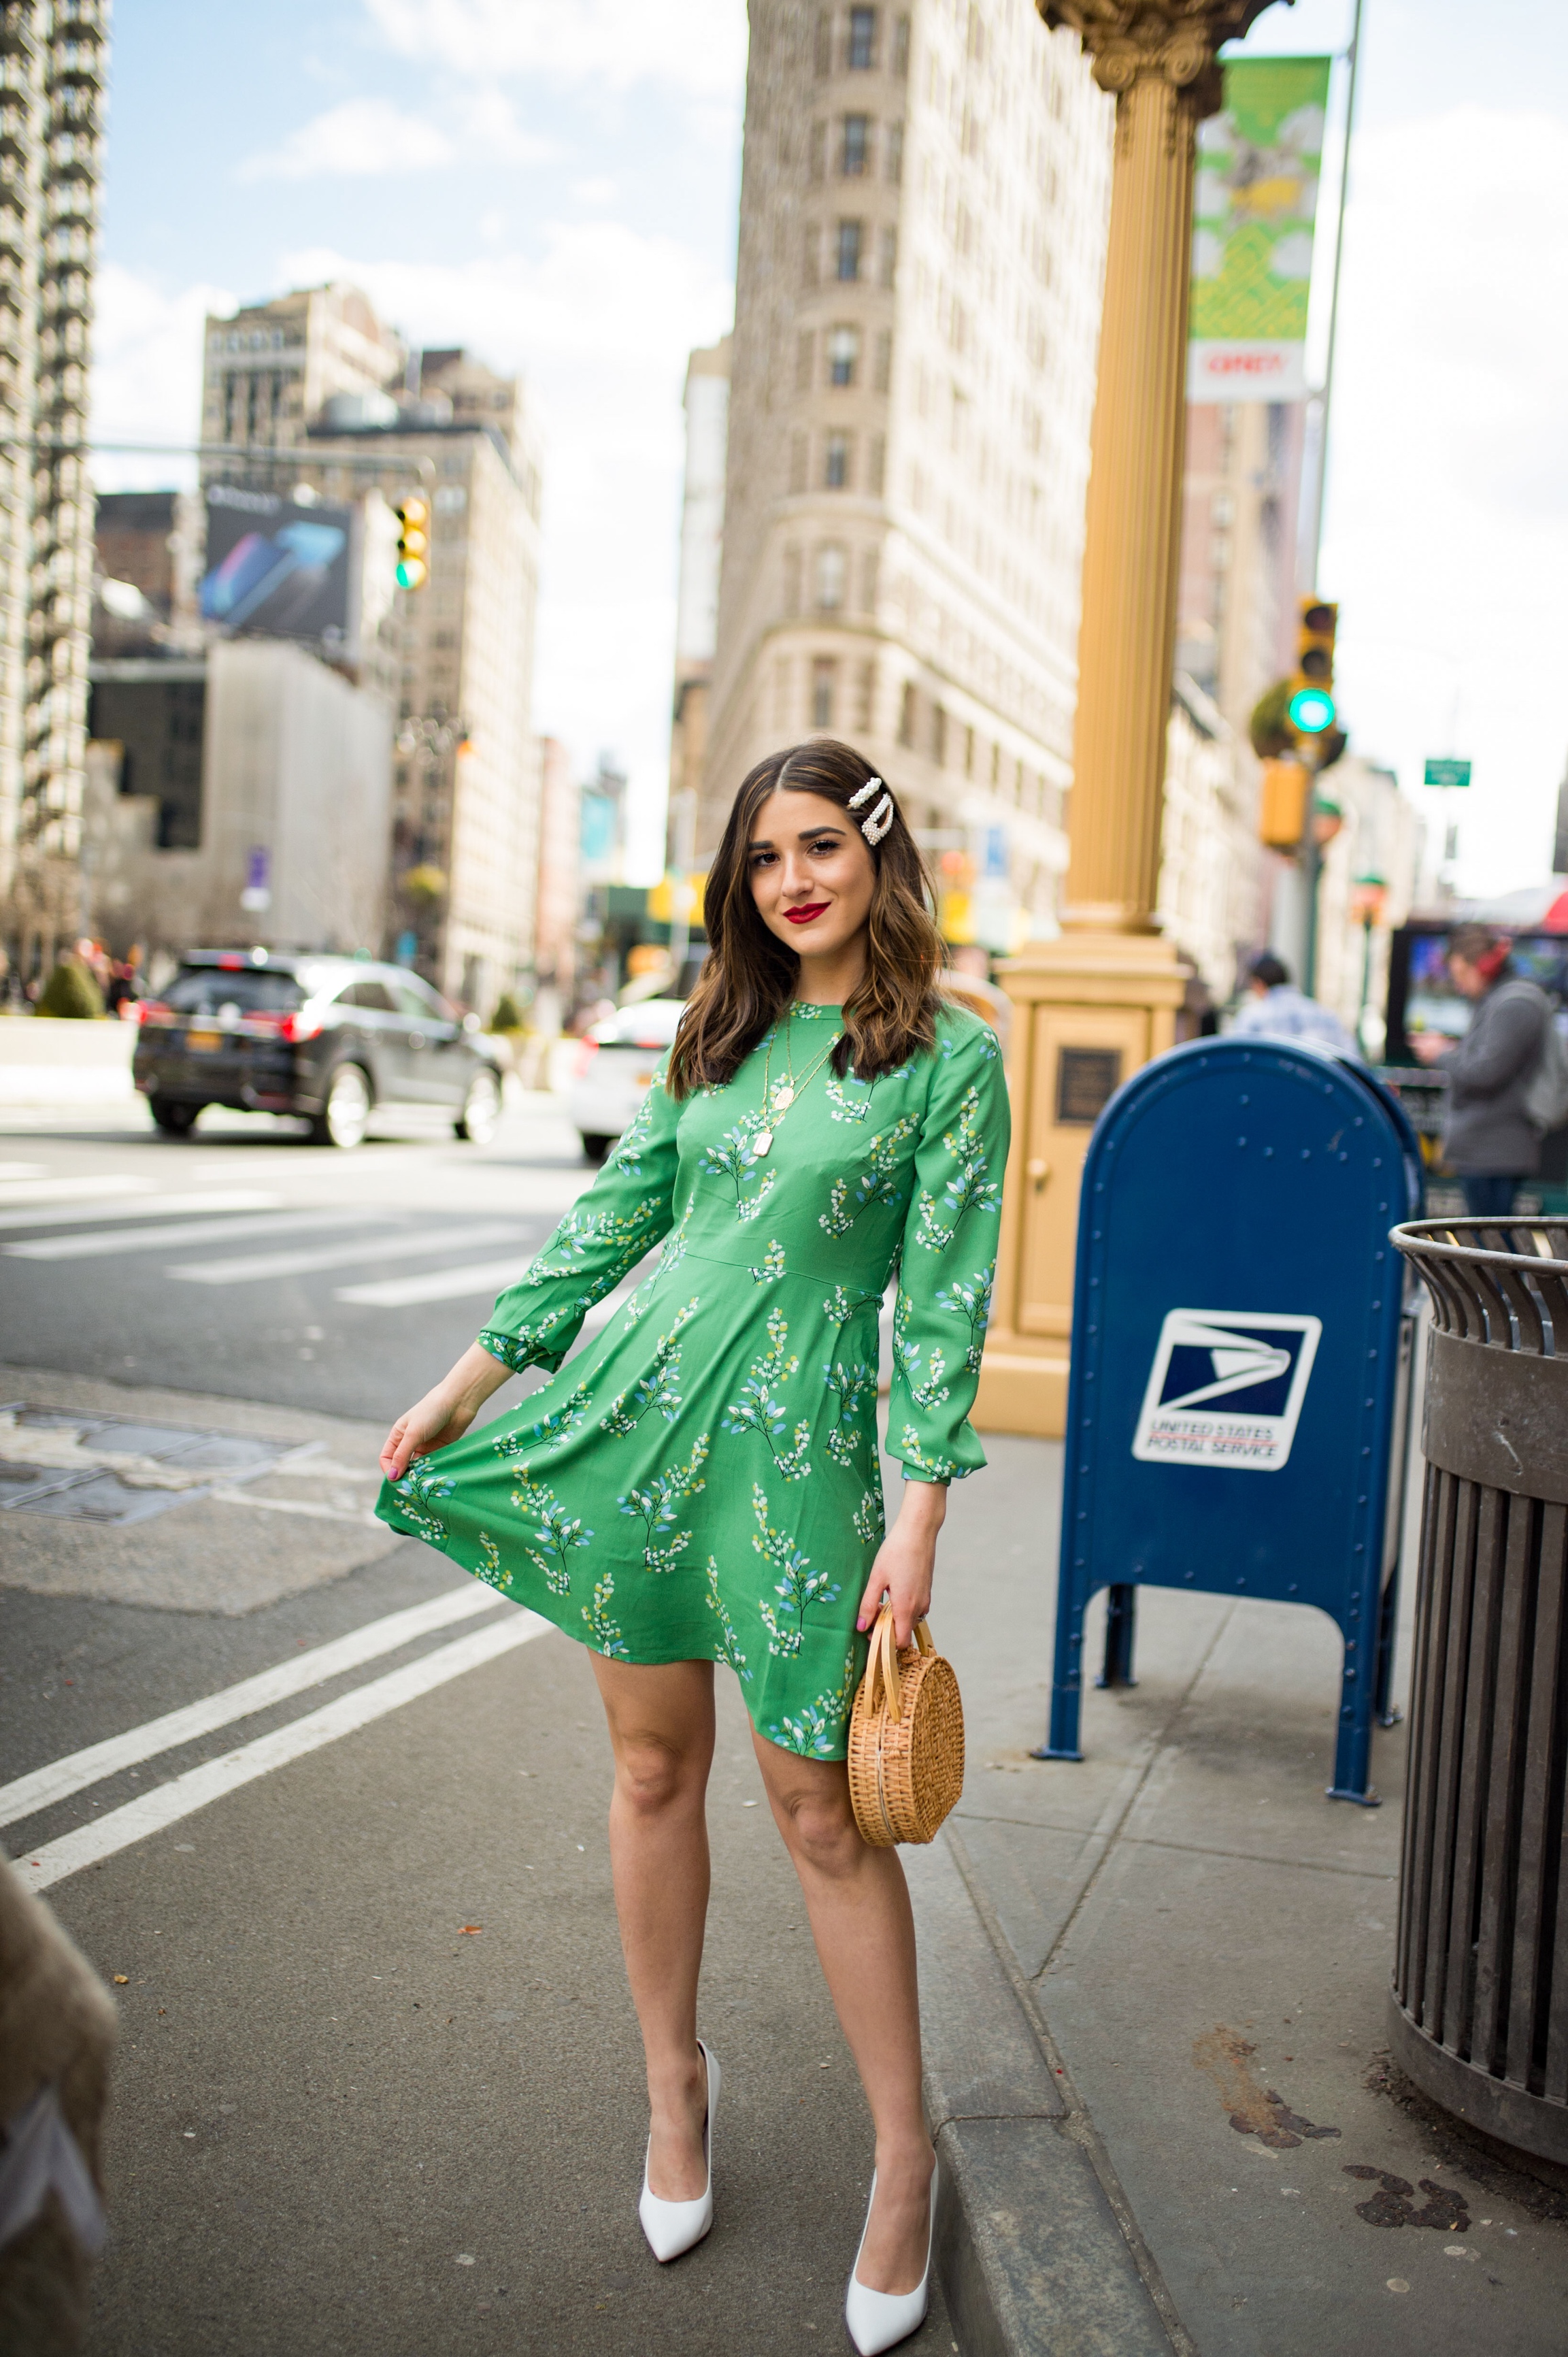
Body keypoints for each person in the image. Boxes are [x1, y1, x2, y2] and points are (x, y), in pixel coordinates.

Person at [377, 739, 1009, 2353]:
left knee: (821, 1810)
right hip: (637, 1430)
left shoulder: (946, 1059)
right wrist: (469, 1375)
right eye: (761, 856)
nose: (790, 879)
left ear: (877, 851)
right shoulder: (712, 1031)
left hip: (804, 1461)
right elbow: (614, 1219)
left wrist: (920, 1508)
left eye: (818, 845)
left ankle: (900, 2155)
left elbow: (939, 1305)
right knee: (652, 1771)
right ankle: (674, 2088)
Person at [1409, 924, 1549, 1218]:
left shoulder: (1514, 1004)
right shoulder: (1505, 1000)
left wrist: (1442, 1053)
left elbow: (1484, 1073)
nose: (1458, 986)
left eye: (1460, 975)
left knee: (1492, 1248)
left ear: (1483, 967)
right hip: (1490, 1148)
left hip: (1495, 1151)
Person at [1229, 952, 1360, 1058]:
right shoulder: (1327, 1016)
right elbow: (1352, 1058)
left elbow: (1237, 1060)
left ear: (1259, 984)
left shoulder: (1252, 1017)